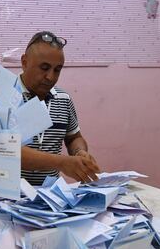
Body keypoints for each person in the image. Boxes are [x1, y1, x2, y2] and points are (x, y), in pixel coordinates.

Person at [18, 31, 101, 185]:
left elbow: (74, 137)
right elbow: (7, 152)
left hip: (50, 198)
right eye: (44, 68)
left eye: (57, 70)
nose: (50, 77)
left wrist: (79, 152)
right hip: (7, 198)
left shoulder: (63, 99)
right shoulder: (3, 96)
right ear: (24, 62)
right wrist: (61, 162)